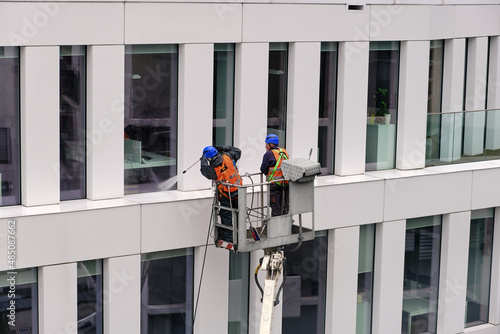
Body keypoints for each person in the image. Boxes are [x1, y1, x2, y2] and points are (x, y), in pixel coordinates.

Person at [200, 145, 242, 248]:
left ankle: (229, 238)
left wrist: (203, 160)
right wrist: (223, 148)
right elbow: (238, 151)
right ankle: (240, 236)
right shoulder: (228, 156)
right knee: (239, 214)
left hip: (226, 194)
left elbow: (204, 171)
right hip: (238, 190)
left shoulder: (213, 169)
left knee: (226, 216)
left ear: (209, 158)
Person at [260, 134, 289, 216]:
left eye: (266, 144)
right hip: (285, 184)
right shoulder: (284, 151)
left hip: (275, 186)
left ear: (271, 144)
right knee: (285, 208)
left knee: (275, 208)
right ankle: (285, 226)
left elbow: (263, 169)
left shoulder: (269, 154)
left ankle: (277, 228)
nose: (266, 147)